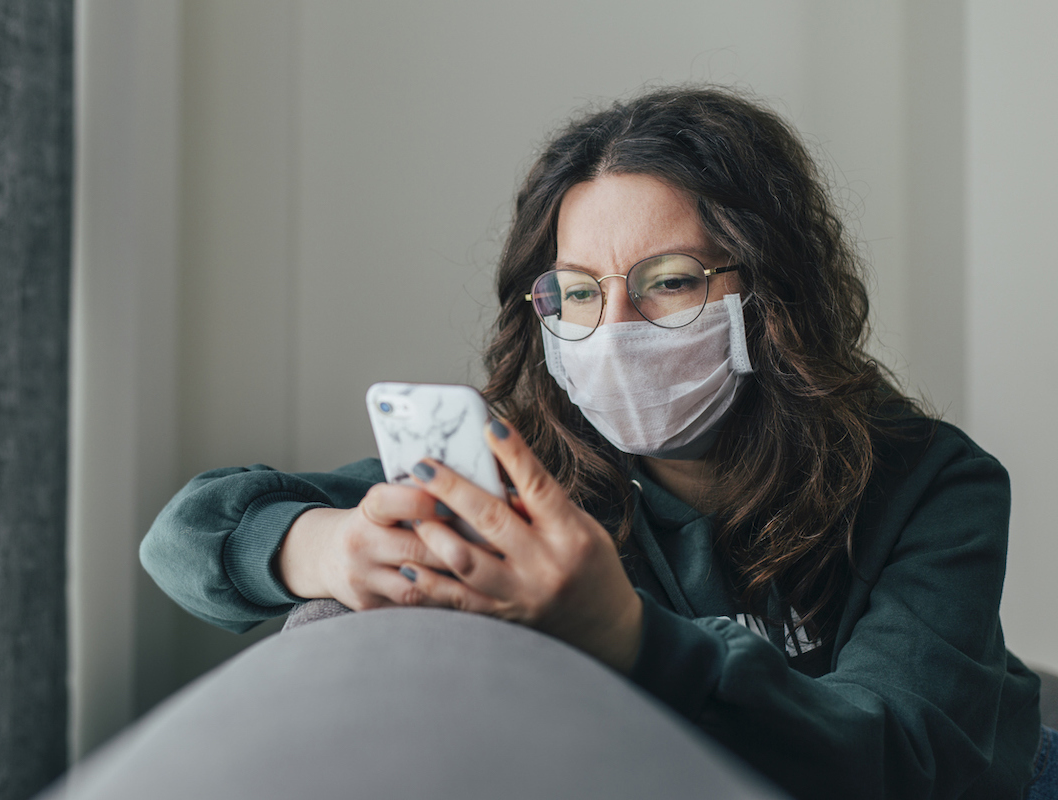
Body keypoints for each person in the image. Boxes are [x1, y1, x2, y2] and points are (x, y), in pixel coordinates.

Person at [140, 86, 1053, 799]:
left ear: (771, 295)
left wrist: (622, 631)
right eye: (577, 292)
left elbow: (900, 764)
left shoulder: (934, 482)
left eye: (668, 282)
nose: (615, 327)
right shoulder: (535, 469)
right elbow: (184, 534)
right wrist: (327, 547)